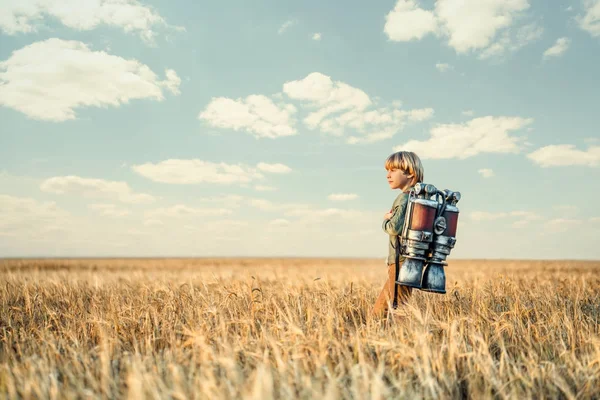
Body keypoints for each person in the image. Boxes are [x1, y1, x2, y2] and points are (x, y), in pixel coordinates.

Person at [372, 151, 424, 318]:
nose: (388, 175)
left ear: (410, 173)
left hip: (400, 261)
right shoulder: (420, 197)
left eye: (393, 170)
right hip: (412, 259)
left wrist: (386, 220)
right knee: (399, 307)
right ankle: (403, 338)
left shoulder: (404, 198)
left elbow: (394, 228)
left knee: (382, 312)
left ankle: (402, 339)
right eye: (388, 171)